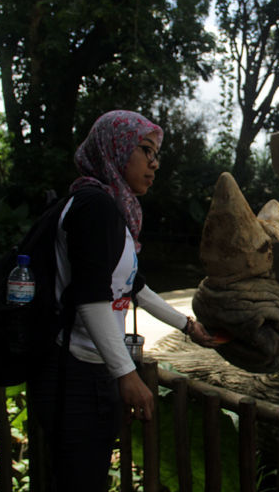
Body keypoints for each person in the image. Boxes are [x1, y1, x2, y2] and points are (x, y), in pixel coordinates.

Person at [29, 110, 219, 491]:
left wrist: (187, 326)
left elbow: (133, 287)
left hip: (89, 371)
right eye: (145, 150)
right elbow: (90, 298)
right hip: (74, 375)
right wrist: (126, 375)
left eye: (157, 154)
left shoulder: (113, 210)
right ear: (114, 150)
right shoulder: (94, 207)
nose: (155, 163)